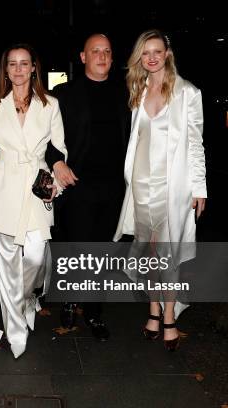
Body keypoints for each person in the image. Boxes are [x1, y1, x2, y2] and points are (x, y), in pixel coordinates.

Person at [0, 43, 67, 358]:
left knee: (36, 257)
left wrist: (57, 181)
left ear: (33, 68)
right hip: (3, 188)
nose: (18, 69)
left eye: (24, 63)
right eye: (12, 63)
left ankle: (26, 299)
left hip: (38, 185)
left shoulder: (50, 104)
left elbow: (59, 149)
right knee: (6, 266)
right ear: (6, 69)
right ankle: (15, 331)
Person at [114, 29, 207, 351]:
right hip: (141, 185)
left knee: (168, 255)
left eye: (157, 51)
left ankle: (169, 315)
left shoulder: (187, 93)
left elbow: (195, 144)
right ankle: (153, 310)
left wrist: (200, 188)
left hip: (173, 186)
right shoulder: (138, 90)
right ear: (140, 58)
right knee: (151, 253)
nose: (151, 57)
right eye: (145, 52)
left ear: (167, 53)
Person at [45, 33, 131, 341]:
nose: (102, 56)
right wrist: (57, 163)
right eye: (95, 51)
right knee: (76, 247)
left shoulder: (127, 92)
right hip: (77, 184)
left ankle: (94, 311)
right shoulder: (63, 94)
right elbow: (46, 139)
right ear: (83, 57)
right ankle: (70, 298)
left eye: (107, 51)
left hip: (113, 186)